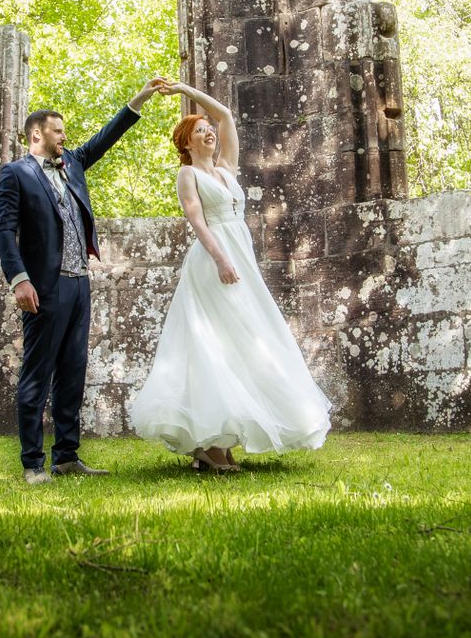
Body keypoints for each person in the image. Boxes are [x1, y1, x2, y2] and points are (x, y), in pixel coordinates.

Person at [130, 80, 331, 471]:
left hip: (242, 257)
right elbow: (197, 220)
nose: (208, 132)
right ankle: (211, 444)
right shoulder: (188, 175)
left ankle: (223, 437)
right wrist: (221, 259)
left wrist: (184, 89)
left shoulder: (227, 169)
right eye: (200, 131)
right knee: (214, 344)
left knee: (245, 339)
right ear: (187, 143)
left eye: (208, 130)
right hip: (213, 259)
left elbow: (225, 115)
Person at [0, 79, 168, 485]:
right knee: (37, 374)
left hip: (79, 284)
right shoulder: (15, 174)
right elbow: (3, 231)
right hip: (43, 287)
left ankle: (67, 456)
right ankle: (33, 463)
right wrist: (19, 279)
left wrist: (139, 98)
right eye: (58, 130)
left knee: (73, 369)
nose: (65, 137)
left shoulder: (71, 165)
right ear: (37, 134)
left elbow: (105, 138)